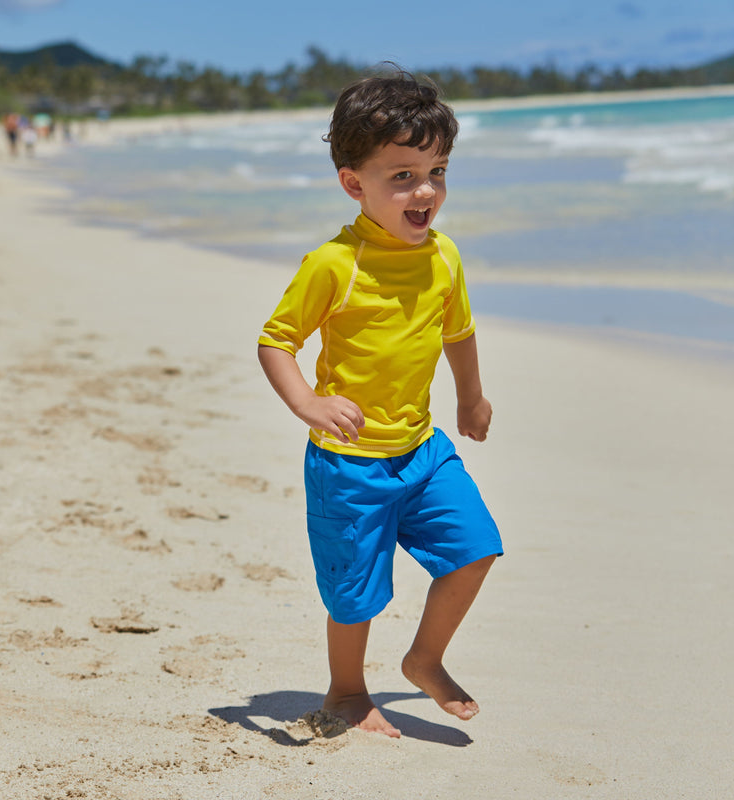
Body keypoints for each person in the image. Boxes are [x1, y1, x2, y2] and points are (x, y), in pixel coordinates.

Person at [257, 69, 503, 739]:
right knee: (354, 593)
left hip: (422, 451)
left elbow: (459, 331)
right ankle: (346, 690)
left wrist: (472, 398)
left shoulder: (444, 257)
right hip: (349, 465)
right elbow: (277, 342)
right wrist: (308, 402)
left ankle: (424, 659)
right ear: (353, 183)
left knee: (477, 546)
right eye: (402, 176)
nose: (425, 191)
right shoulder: (336, 264)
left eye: (437, 171)